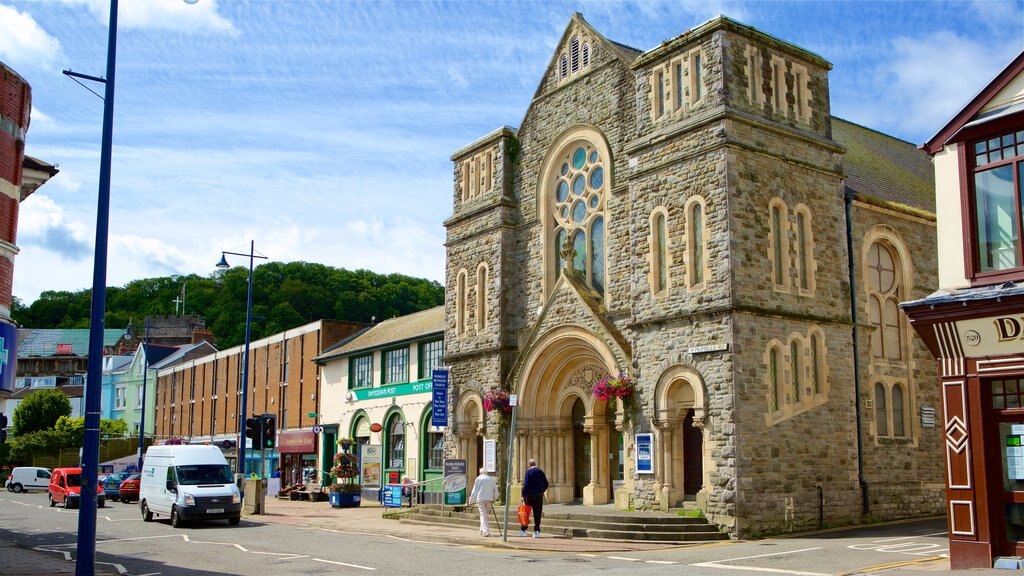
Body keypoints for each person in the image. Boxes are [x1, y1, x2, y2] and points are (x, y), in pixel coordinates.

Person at [520, 458, 549, 538]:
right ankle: (536, 531)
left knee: (526, 513)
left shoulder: (528, 472)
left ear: (529, 465)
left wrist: (523, 495)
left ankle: (524, 530)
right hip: (538, 495)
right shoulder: (540, 472)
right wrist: (542, 491)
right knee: (537, 513)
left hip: (529, 495)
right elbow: (546, 483)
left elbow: (526, 484)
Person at [468, 468, 499, 537]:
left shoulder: (479, 478)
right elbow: (495, 489)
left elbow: (475, 490)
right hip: (489, 499)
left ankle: (486, 531)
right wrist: (495, 497)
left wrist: (471, 500)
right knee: (485, 515)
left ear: (480, 472)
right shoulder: (491, 479)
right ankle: (481, 529)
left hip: (481, 499)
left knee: (483, 515)